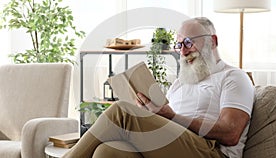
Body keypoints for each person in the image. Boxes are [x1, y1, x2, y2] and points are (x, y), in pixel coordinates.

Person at [63, 17, 254, 158]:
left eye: (189, 42)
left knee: (122, 110)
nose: (183, 50)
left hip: (210, 152)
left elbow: (231, 133)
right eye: (179, 44)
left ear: (212, 41)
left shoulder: (233, 77)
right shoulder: (180, 83)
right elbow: (170, 124)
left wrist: (171, 117)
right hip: (174, 146)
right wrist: (152, 115)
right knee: (107, 152)